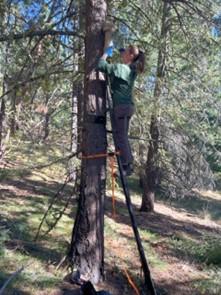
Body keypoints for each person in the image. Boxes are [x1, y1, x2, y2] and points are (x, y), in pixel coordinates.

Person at [97, 25, 145, 176]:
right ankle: (126, 165)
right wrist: (110, 35)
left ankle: (127, 166)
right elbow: (120, 48)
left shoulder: (123, 69)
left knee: (121, 136)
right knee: (121, 134)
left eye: (125, 53)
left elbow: (101, 65)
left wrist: (105, 53)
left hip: (121, 108)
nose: (122, 54)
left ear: (131, 56)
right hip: (128, 107)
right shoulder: (131, 70)